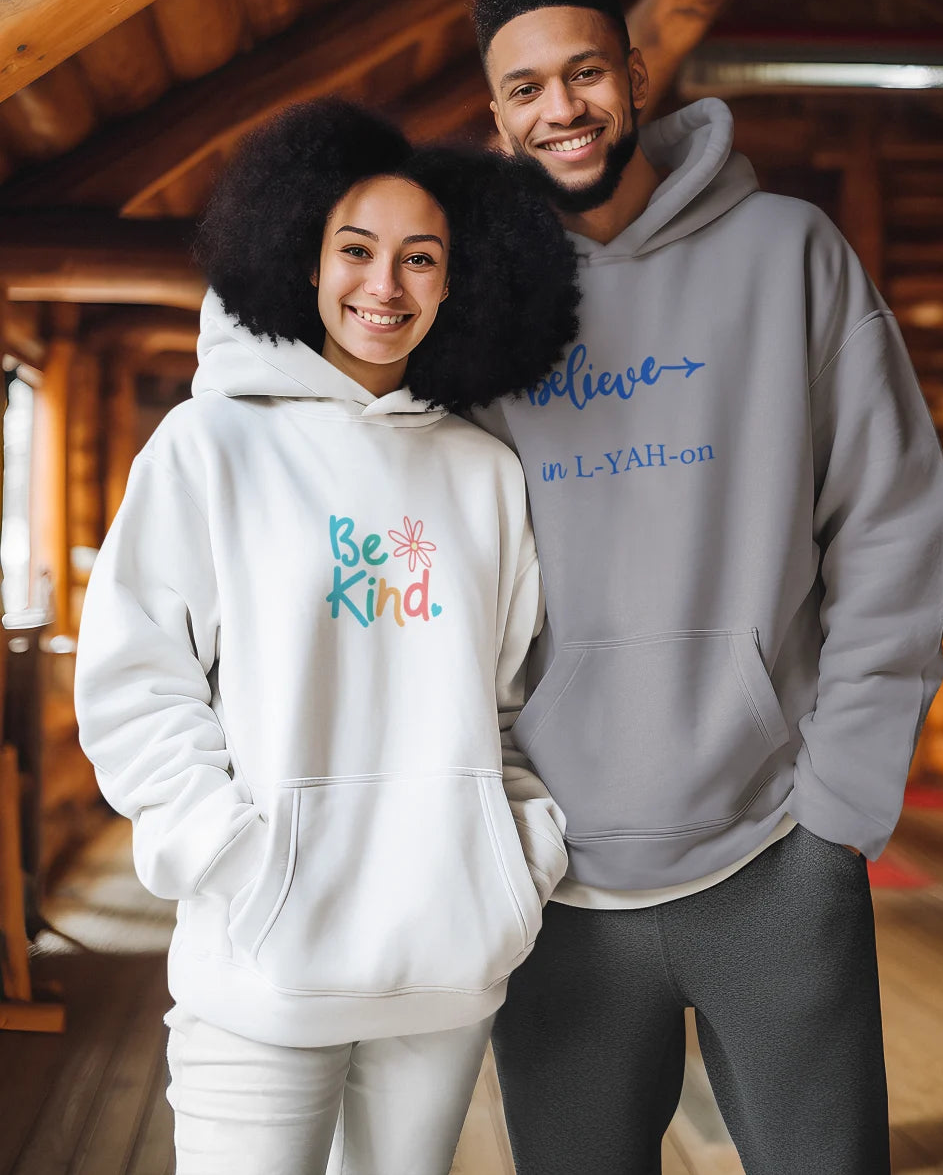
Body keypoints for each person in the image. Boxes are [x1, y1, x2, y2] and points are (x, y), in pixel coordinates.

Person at [470, 0, 943, 1175]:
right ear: (498, 117)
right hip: (557, 882)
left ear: (635, 77)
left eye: (583, 72)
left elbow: (891, 523)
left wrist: (841, 806)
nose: (560, 107)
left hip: (775, 854)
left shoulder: (788, 252)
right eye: (525, 88)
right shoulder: (480, 306)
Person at [74, 98, 579, 1175]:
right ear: (303, 259)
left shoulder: (483, 473)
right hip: (261, 964)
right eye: (355, 250)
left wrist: (511, 861)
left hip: (443, 966)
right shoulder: (207, 446)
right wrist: (234, 862)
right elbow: (137, 683)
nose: (383, 287)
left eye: (420, 258)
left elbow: (509, 697)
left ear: (458, 281)